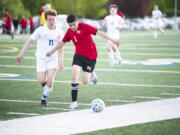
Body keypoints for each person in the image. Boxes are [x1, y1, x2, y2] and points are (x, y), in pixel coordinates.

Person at [46, 14, 120, 109]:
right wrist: (51, 51)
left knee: (85, 81)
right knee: (74, 77)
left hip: (91, 56)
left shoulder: (85, 27)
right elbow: (62, 42)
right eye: (70, 25)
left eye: (73, 24)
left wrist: (113, 40)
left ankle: (92, 72)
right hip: (78, 56)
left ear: (77, 22)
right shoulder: (69, 32)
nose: (72, 27)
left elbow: (100, 33)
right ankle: (74, 102)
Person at [16, 9, 64, 106]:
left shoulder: (60, 32)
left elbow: (61, 48)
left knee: (50, 79)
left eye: (53, 19)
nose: (52, 22)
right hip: (41, 58)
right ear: (46, 20)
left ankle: (43, 98)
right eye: (50, 20)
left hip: (52, 59)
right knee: (41, 80)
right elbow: (30, 40)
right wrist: (22, 52)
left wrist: (61, 62)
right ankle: (48, 87)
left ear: (56, 19)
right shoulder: (40, 30)